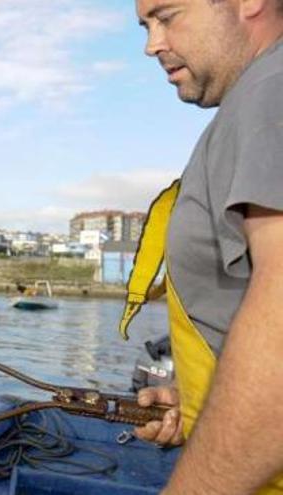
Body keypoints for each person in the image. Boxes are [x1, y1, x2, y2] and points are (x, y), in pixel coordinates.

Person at [125, 1, 283, 493]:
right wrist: (199, 402)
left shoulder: (270, 94)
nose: (152, 45)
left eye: (167, 16)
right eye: (146, 25)